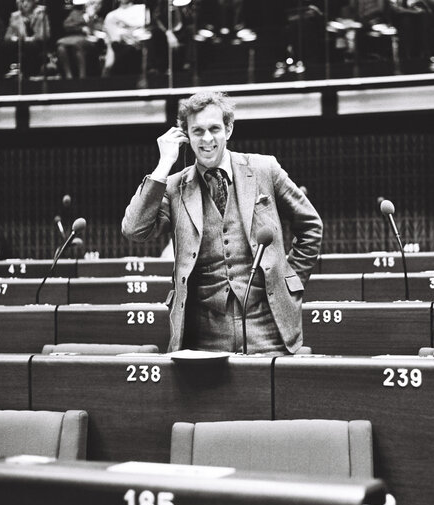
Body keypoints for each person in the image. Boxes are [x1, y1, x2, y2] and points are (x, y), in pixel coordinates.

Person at [122, 91, 322, 355]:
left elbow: (311, 226)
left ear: (228, 129)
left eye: (214, 128)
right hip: (202, 336)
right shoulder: (174, 187)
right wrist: (163, 165)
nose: (207, 139)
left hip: (269, 327)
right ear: (187, 136)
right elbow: (134, 230)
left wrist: (288, 282)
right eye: (197, 131)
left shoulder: (265, 169)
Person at [56, 0, 105, 79]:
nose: (95, 6)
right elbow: (66, 25)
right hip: (74, 38)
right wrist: (81, 28)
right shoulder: (75, 14)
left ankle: (82, 77)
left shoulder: (100, 18)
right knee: (61, 48)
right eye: (93, 3)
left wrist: (91, 18)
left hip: (92, 44)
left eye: (98, 4)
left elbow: (97, 31)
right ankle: (68, 76)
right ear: (87, 5)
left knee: (79, 44)